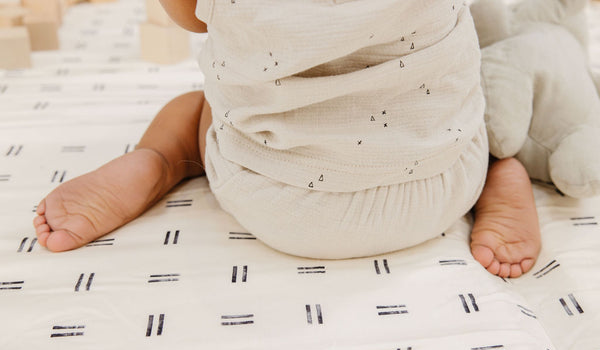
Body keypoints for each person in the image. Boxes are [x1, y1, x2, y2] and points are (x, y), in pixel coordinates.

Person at [33, 0, 541, 278]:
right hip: (439, 188)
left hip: (279, 202)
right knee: (465, 92)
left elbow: (187, 15)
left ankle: (160, 159)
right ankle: (499, 170)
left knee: (197, 110)